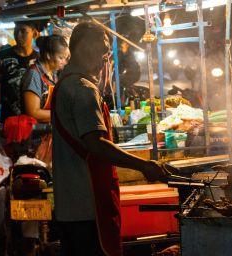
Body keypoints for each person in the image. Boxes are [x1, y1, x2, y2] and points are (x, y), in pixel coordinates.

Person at [51, 22, 170, 256]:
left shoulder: (64, 83)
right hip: (88, 205)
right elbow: (96, 145)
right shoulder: (82, 89)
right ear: (85, 47)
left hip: (71, 205)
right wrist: (143, 165)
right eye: (104, 50)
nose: (106, 58)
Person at [0, 21, 40, 123]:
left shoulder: (40, 59)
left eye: (23, 31)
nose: (18, 35)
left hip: (35, 123)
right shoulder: (1, 58)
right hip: (10, 122)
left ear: (34, 34)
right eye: (16, 31)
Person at [21, 35, 69, 122]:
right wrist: (63, 114)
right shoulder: (34, 75)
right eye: (61, 58)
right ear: (48, 55)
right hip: (36, 133)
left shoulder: (53, 73)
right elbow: (33, 113)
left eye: (65, 59)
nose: (64, 62)